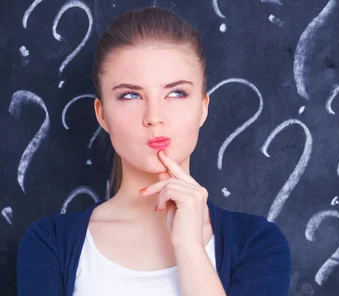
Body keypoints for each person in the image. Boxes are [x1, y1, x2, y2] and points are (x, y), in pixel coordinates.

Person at [16, 6, 291, 296]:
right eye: (131, 95)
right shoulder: (50, 243)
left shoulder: (257, 243)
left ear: (203, 107)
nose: (154, 116)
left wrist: (189, 246)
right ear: (102, 115)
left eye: (176, 93)